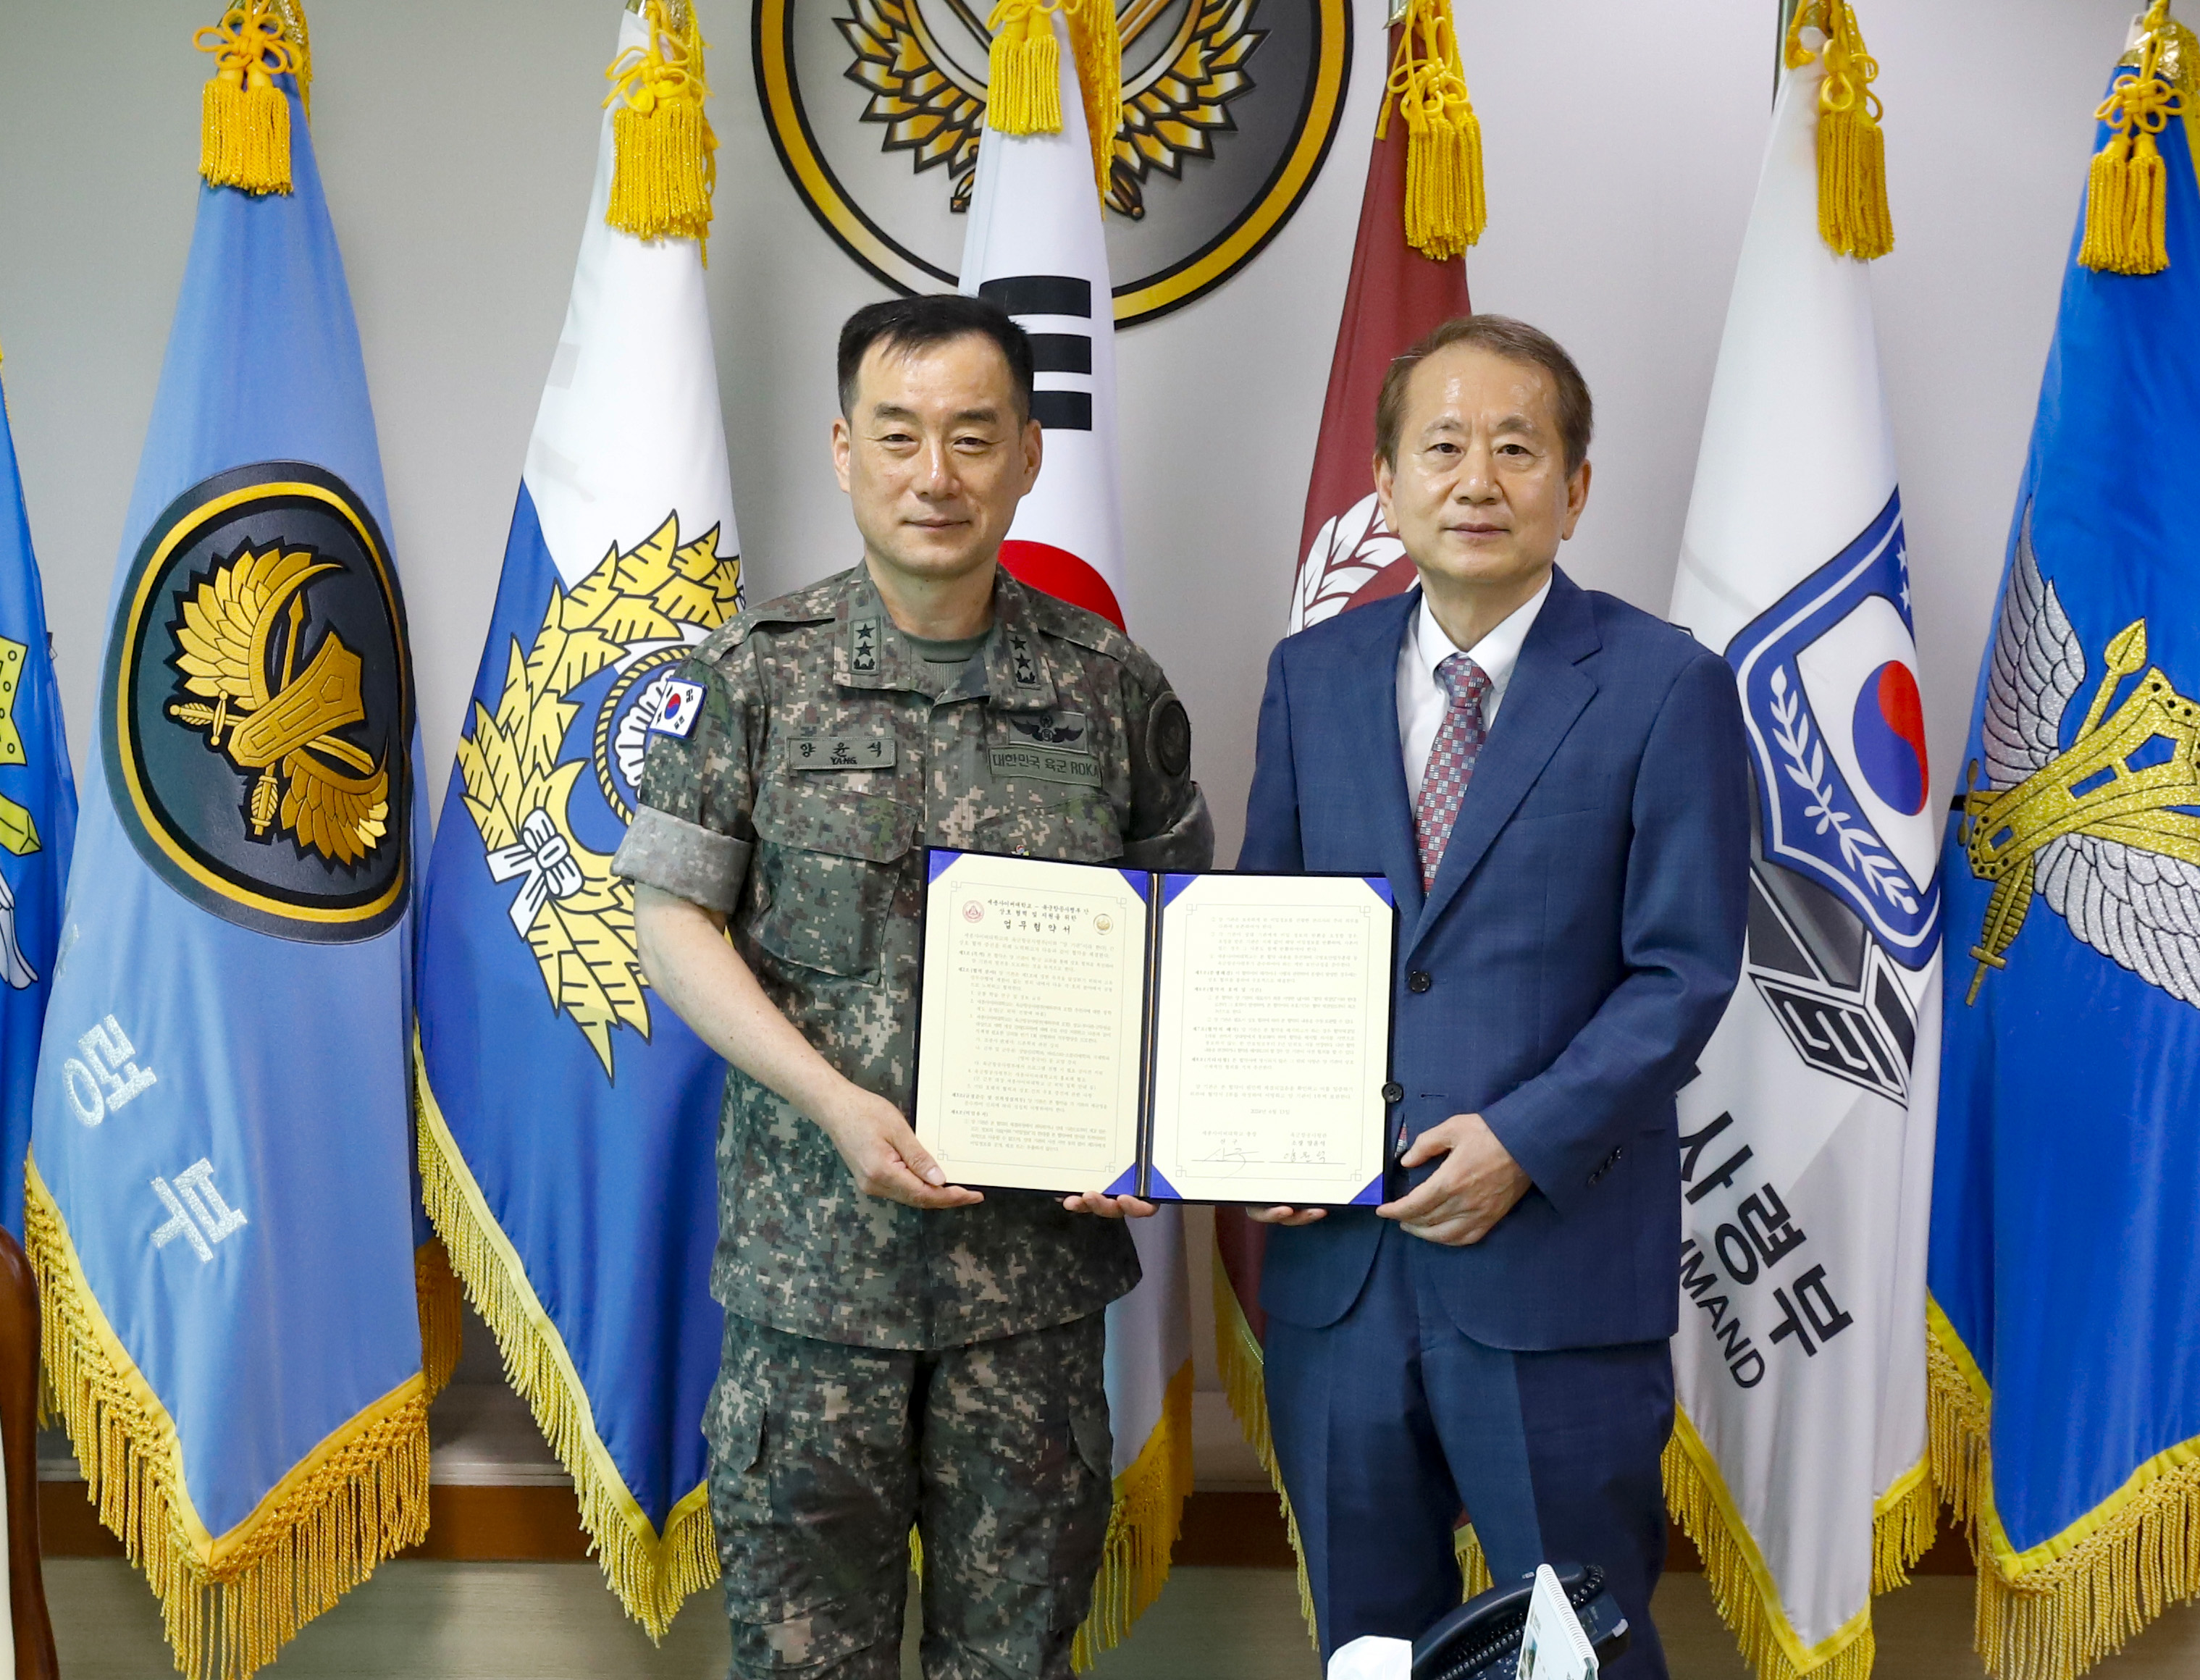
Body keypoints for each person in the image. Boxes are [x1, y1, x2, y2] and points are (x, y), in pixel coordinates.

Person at [616, 293, 1212, 1680]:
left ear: (1027, 456)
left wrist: (1155, 1124)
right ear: (843, 450)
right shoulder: (751, 679)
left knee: (1014, 1661)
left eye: (969, 437)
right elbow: (674, 924)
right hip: (812, 1284)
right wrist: (833, 1101)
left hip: (1032, 1293)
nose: (933, 475)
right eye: (898, 437)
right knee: (805, 1665)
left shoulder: (1113, 689)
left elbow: (1183, 941)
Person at [1240, 314, 1747, 1677]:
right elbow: (1265, 935)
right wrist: (1247, 1122)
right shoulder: (1312, 679)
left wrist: (1526, 1140)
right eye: (1444, 447)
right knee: (1365, 1651)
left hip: (1552, 1279)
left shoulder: (1665, 687)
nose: (1478, 481)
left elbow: (1685, 968)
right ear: (1388, 481)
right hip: (1338, 1282)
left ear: (1575, 487)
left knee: (1574, 1653)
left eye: (1517, 449)